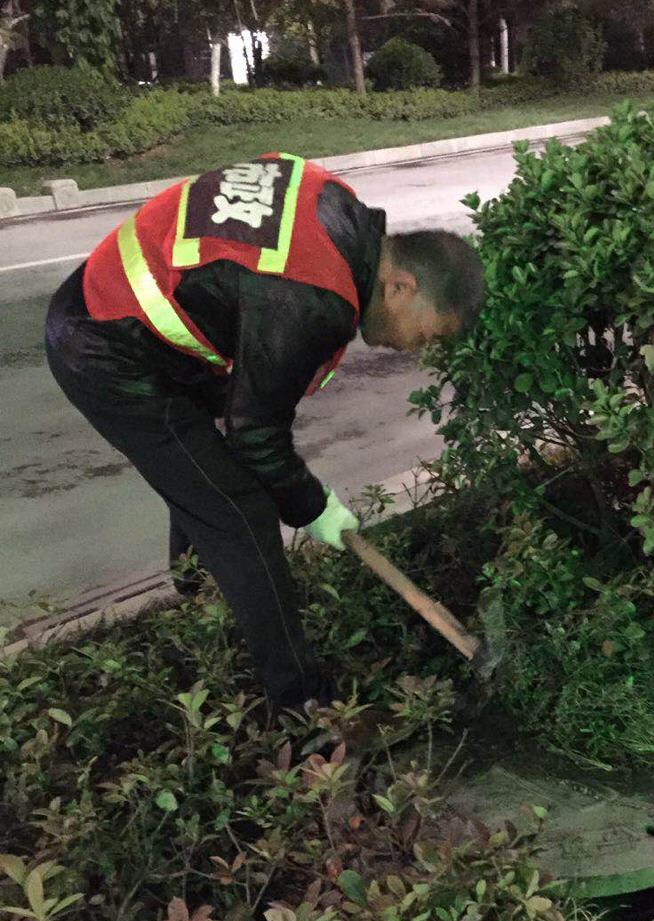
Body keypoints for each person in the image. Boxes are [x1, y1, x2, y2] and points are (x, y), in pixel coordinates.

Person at [45, 153, 485, 711]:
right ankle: (302, 705)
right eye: (428, 335)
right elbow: (255, 435)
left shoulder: (342, 215)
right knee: (240, 511)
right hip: (105, 346)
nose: (416, 350)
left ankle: (198, 601)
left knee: (207, 479)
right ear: (401, 286)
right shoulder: (312, 295)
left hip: (141, 325)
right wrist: (314, 507)